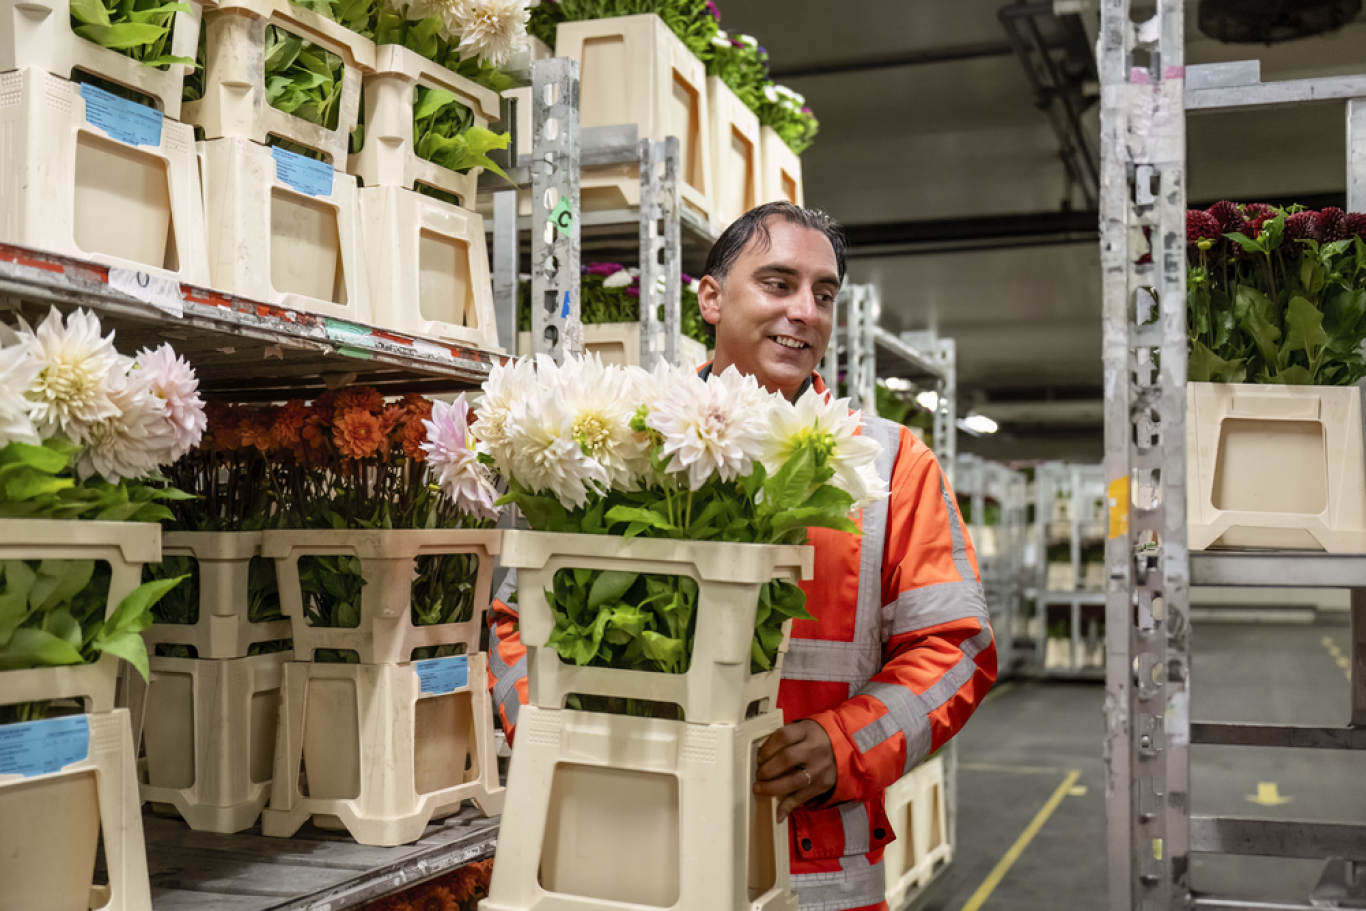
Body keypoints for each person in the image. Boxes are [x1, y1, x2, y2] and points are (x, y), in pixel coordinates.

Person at [487, 201, 996, 911]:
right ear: (710, 296)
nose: (805, 311)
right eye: (779, 283)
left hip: (813, 870)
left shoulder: (889, 464)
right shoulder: (624, 439)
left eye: (824, 295)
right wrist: (559, 734)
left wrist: (843, 744)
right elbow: (514, 620)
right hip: (624, 852)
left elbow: (958, 650)